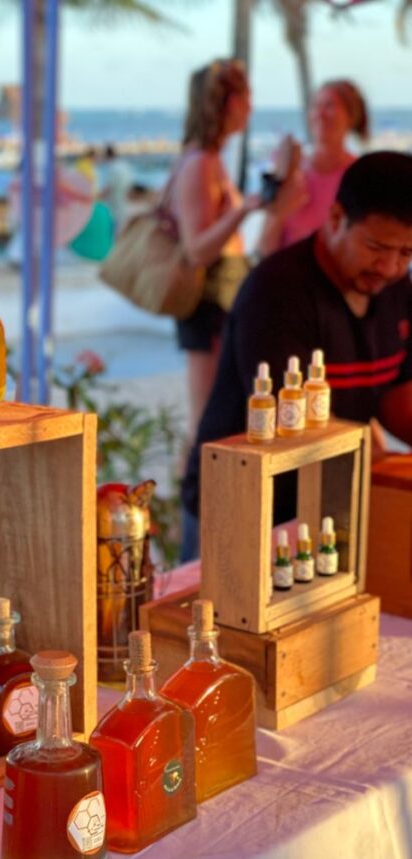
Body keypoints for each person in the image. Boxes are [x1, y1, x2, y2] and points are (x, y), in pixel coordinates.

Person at [182, 151, 412, 556]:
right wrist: (382, 464)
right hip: (244, 507)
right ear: (337, 218)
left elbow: (398, 397)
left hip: (326, 507)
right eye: (377, 247)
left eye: (407, 253)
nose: (391, 267)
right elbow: (297, 425)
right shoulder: (277, 292)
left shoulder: (397, 290)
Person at [169, 58, 261, 481]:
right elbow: (197, 249)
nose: (252, 106)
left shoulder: (208, 159)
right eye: (247, 96)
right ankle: (190, 518)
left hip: (217, 302)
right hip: (206, 303)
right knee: (205, 420)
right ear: (231, 102)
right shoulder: (200, 163)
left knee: (214, 416)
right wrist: (244, 211)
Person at [258, 79, 369, 257]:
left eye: (330, 106)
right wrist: (280, 211)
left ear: (351, 116)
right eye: (316, 106)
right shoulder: (289, 167)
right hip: (288, 276)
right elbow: (264, 248)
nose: (320, 113)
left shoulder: (361, 175)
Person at [100, 144, 132, 236]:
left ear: (106, 156)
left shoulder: (113, 168)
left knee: (112, 231)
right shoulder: (124, 165)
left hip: (113, 204)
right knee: (119, 229)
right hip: (123, 202)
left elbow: (108, 188)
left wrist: (97, 199)